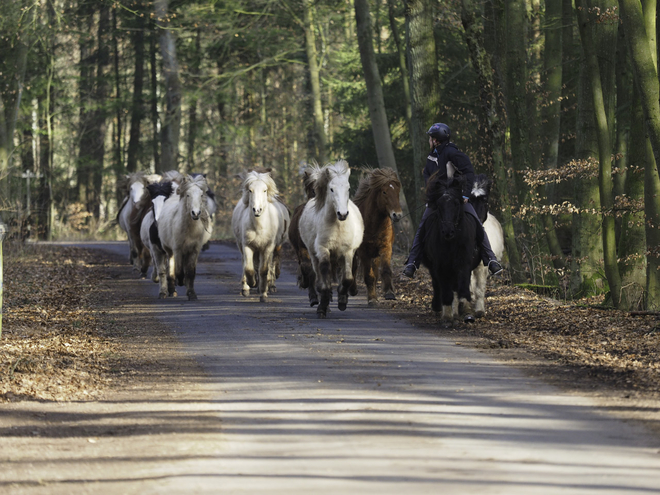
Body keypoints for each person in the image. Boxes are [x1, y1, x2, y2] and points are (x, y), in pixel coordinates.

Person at [402, 123, 503, 278]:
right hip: (439, 200)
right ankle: (413, 262)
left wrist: (465, 195)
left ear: (436, 140)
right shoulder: (432, 157)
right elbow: (428, 179)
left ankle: (491, 260)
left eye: (431, 138)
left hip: (457, 198)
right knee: (423, 225)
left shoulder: (453, 153)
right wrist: (432, 196)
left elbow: (469, 172)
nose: (429, 141)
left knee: (476, 222)